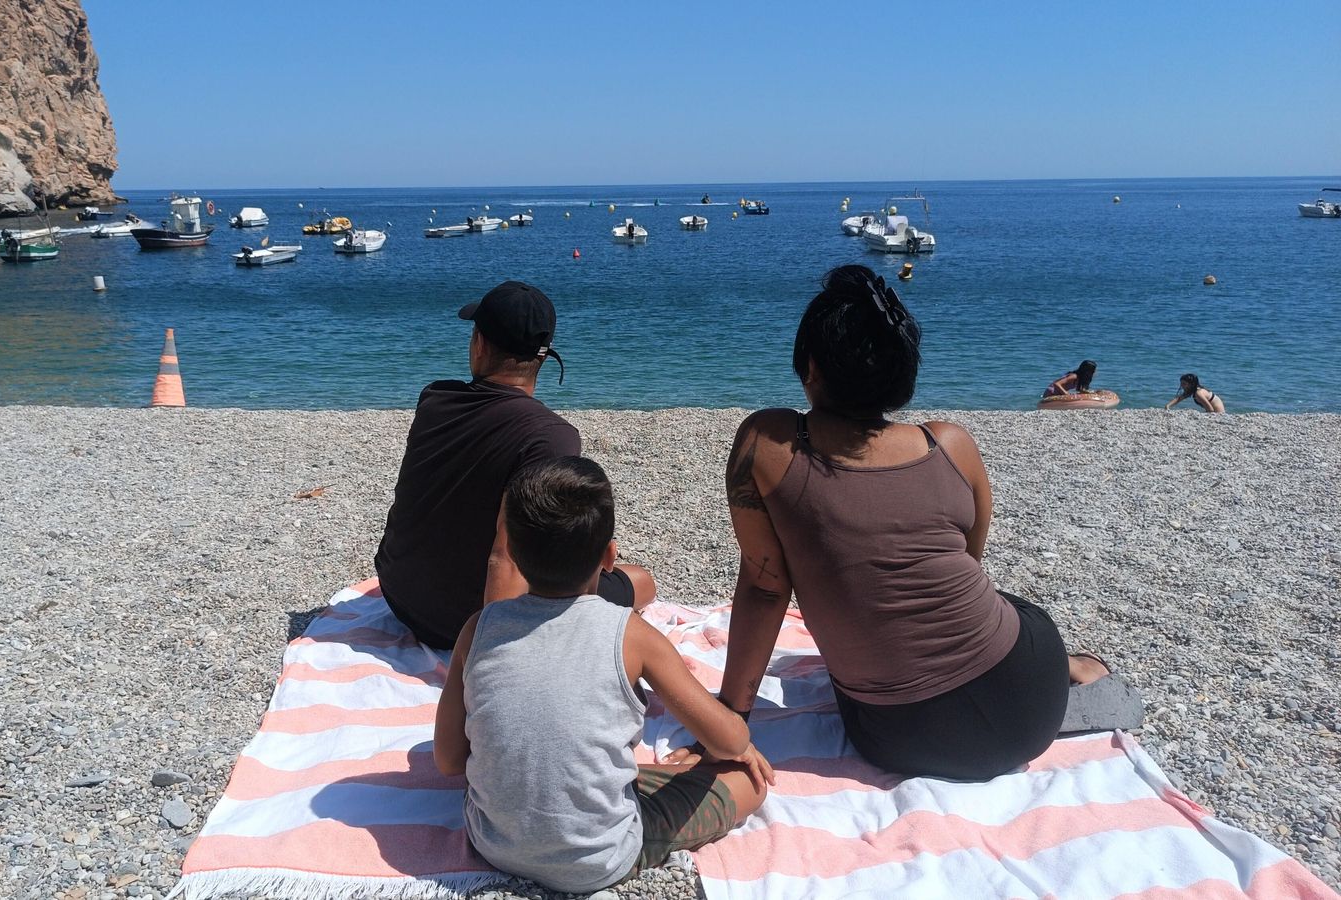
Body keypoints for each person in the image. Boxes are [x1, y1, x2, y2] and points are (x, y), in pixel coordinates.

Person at [679, 265, 1126, 781]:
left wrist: (730, 720)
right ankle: (1072, 665)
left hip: (901, 736)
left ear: (812, 369)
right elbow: (968, 562)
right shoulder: (951, 445)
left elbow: (765, 589)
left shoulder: (767, 442)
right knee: (1008, 608)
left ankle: (1064, 664)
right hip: (1031, 703)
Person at [434, 457, 772, 894]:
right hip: (602, 856)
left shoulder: (478, 628)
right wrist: (740, 744)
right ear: (610, 556)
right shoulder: (630, 633)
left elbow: (447, 760)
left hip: (493, 842)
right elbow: (725, 738)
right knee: (750, 782)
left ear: (513, 555)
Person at [373, 281, 655, 649]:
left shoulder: (435, 399)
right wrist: (494, 659)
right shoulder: (551, 437)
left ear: (480, 344)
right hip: (461, 622)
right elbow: (504, 557)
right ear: (543, 356)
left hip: (400, 596)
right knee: (643, 582)